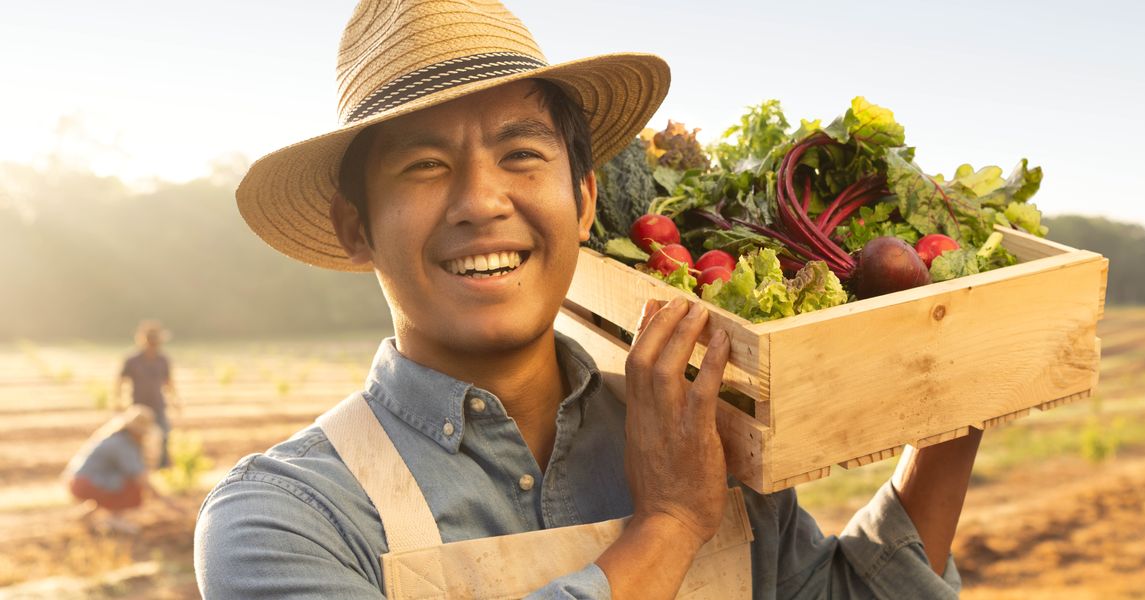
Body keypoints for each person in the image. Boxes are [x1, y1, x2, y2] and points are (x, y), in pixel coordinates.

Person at [195, 1, 981, 598]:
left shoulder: (692, 431)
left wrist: (959, 398)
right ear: (355, 227)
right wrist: (670, 525)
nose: (481, 201)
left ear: (582, 199)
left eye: (520, 154)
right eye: (425, 166)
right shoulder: (285, 515)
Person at [65, 405, 182, 534]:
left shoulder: (116, 438)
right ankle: (114, 520)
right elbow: (141, 479)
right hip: (85, 483)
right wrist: (168, 503)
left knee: (119, 482)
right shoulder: (123, 445)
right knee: (133, 487)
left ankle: (87, 517)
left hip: (78, 481)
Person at [115, 320, 176, 468]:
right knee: (133, 436)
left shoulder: (163, 360)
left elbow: (168, 382)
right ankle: (134, 465)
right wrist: (117, 399)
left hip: (157, 403)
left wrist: (175, 400)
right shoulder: (132, 360)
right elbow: (121, 380)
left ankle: (163, 465)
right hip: (138, 405)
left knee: (165, 434)